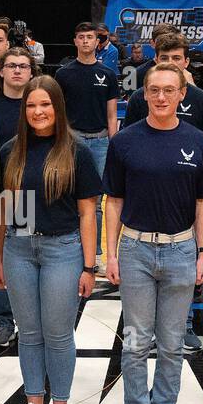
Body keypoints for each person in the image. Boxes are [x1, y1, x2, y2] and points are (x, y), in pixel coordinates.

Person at [104, 63, 203, 404]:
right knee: (135, 341)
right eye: (154, 90)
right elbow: (112, 201)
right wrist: (109, 253)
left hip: (182, 249)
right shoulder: (124, 141)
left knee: (170, 343)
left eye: (169, 90)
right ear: (144, 94)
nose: (162, 96)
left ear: (182, 93)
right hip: (135, 250)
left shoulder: (199, 141)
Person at [0, 75, 100, 404]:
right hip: (19, 250)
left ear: (58, 107)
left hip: (63, 250)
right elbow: (3, 212)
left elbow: (88, 213)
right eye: (31, 105)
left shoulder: (77, 152)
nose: (39, 112)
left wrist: (90, 265)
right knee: (30, 334)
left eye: (45, 104)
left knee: (58, 334)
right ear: (24, 111)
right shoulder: (10, 151)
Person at [0, 46, 37, 348]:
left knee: (31, 258)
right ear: (0, 71)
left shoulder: (39, 106)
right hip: (0, 197)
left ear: (31, 72)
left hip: (34, 196)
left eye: (23, 66)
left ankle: (31, 321)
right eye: (12, 65)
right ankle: (4, 321)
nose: (17, 70)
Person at [55, 22, 120, 272]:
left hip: (101, 140)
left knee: (97, 200)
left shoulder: (108, 74)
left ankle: (96, 254)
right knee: (67, 194)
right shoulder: (64, 74)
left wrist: (114, 144)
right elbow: (58, 111)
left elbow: (112, 114)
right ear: (75, 41)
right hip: (71, 141)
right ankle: (71, 250)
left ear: (97, 42)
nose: (85, 41)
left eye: (89, 37)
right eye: (80, 37)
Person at [120, 35, 203, 145]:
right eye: (164, 58)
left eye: (176, 58)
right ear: (156, 60)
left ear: (186, 62)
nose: (170, 63)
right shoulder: (138, 97)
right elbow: (127, 141)